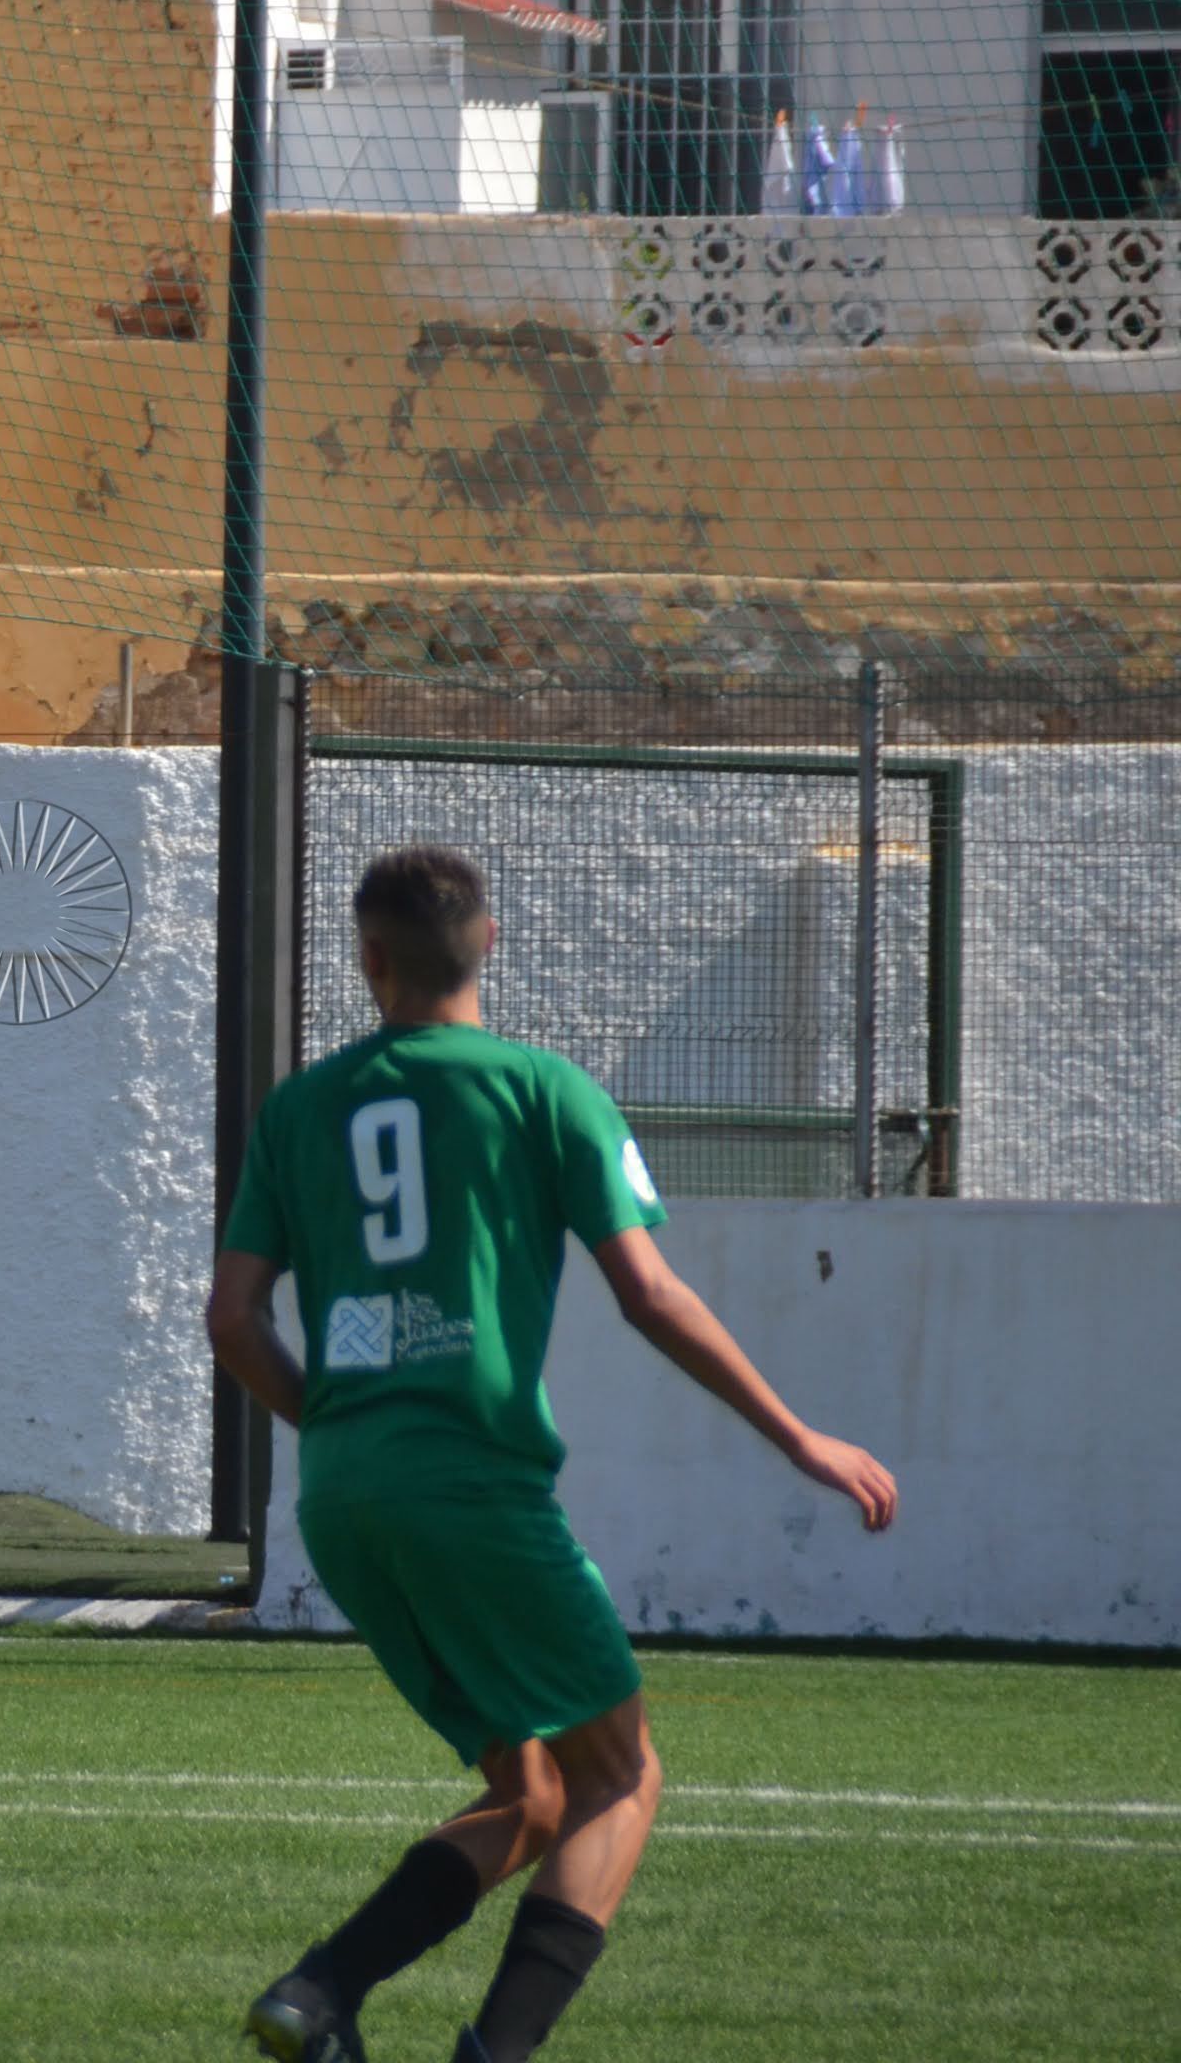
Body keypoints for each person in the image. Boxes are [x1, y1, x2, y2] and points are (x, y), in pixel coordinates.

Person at [207, 844, 900, 2063]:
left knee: (528, 1792)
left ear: (368, 961)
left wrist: (348, 1427)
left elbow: (232, 1318)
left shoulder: (300, 1107)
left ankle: (318, 1996)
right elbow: (648, 1293)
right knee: (621, 1774)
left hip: (346, 1498)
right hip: (475, 1487)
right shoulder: (546, 1089)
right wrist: (796, 1434)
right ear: (492, 942)